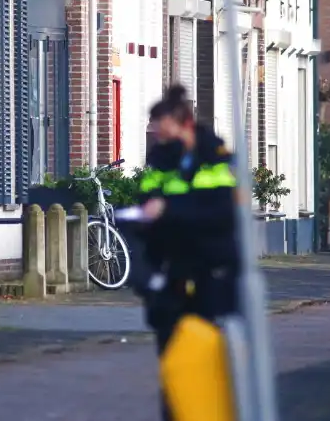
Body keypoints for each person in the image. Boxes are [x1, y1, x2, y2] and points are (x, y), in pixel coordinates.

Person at [128, 84, 239, 420]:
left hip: (210, 276)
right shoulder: (160, 162)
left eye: (165, 133)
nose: (160, 140)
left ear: (185, 125)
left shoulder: (217, 160)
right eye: (157, 134)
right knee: (172, 365)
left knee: (209, 360)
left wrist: (169, 211)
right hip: (170, 277)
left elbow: (222, 213)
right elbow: (146, 204)